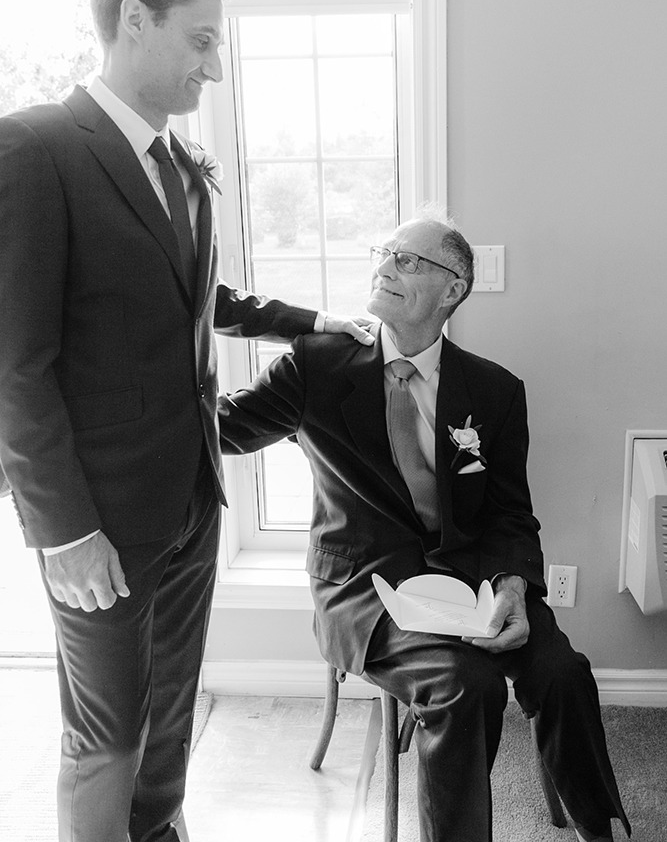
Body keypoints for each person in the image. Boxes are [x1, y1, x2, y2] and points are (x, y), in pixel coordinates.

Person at [0, 0, 373, 842]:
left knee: (170, 711)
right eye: (202, 40)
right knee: (107, 731)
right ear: (135, 21)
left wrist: (304, 322)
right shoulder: (35, 149)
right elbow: (16, 366)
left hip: (193, 500)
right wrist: (65, 533)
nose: (216, 65)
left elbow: (197, 295)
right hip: (102, 518)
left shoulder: (182, 169)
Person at [217, 214, 631, 842]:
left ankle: (602, 828)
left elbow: (510, 513)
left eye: (409, 260)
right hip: (364, 585)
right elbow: (223, 429)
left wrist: (515, 586)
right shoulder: (316, 365)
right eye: (384, 253)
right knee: (468, 685)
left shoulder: (494, 391)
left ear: (454, 289)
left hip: (473, 580)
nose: (387, 265)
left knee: (563, 674)